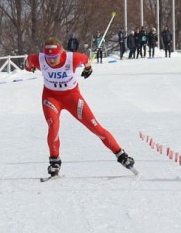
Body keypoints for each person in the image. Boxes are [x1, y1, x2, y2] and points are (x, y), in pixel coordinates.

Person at [23, 37, 137, 178]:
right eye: (48, 57)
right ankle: (54, 162)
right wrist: (29, 67)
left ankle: (121, 155)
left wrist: (88, 69)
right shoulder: (38, 59)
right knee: (53, 127)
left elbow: (85, 59)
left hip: (72, 98)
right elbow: (27, 62)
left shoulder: (73, 58)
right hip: (51, 98)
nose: (51, 60)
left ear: (61, 53)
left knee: (95, 127)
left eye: (54, 57)